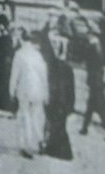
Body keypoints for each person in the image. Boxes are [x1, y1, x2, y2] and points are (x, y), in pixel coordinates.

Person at [11, 32, 50, 157]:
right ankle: (40, 140)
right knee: (37, 117)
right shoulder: (38, 55)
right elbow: (44, 76)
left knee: (24, 117)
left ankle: (26, 145)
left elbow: (15, 75)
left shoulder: (19, 54)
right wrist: (46, 93)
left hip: (24, 90)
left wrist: (11, 90)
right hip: (38, 90)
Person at [43, 29, 78, 160]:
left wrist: (70, 104)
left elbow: (70, 88)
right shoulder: (59, 66)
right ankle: (53, 148)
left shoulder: (63, 67)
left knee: (58, 125)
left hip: (60, 100)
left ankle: (61, 152)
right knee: (56, 124)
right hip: (58, 99)